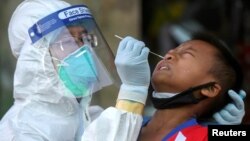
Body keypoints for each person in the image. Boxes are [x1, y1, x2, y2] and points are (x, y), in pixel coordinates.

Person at [82, 34, 246, 141]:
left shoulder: (205, 136)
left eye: (186, 54)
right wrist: (132, 91)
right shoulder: (119, 121)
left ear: (210, 89)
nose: (169, 55)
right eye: (172, 50)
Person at [0, 0, 121, 140]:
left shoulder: (82, 116)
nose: (82, 49)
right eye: (68, 41)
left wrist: (136, 91)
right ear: (36, 56)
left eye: (83, 38)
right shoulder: (23, 132)